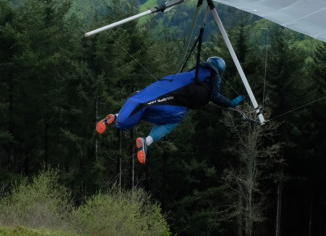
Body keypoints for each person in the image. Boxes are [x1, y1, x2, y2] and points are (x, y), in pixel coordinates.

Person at [95, 56, 243, 164]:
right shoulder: (214, 76)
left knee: (147, 105)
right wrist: (230, 103)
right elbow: (214, 95)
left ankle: (117, 115)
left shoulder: (196, 71)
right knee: (175, 119)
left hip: (166, 85)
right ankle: (147, 141)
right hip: (177, 105)